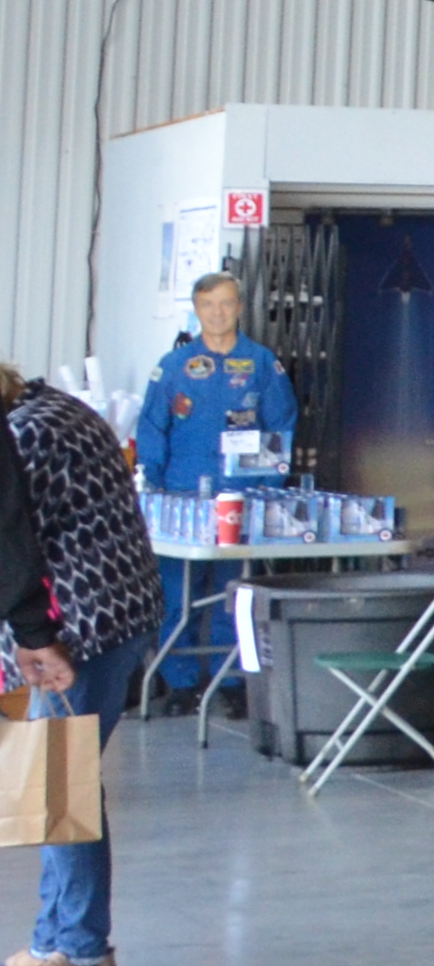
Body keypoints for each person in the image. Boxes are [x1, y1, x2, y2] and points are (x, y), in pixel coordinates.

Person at [5, 357, 160, 966]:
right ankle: (55, 937)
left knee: (59, 782)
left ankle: (84, 950)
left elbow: (10, 541)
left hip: (79, 628)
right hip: (116, 613)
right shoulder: (59, 410)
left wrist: (34, 637)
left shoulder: (26, 435)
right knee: (55, 781)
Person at [131, 270, 294, 695]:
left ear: (239, 307)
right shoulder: (173, 366)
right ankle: (179, 685)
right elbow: (151, 428)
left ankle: (235, 683)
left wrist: (265, 485)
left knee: (235, 594)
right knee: (174, 597)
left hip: (243, 498)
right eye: (208, 304)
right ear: (196, 309)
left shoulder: (262, 363)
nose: (217, 312)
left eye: (225, 303)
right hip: (180, 498)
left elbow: (281, 427)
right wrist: (154, 484)